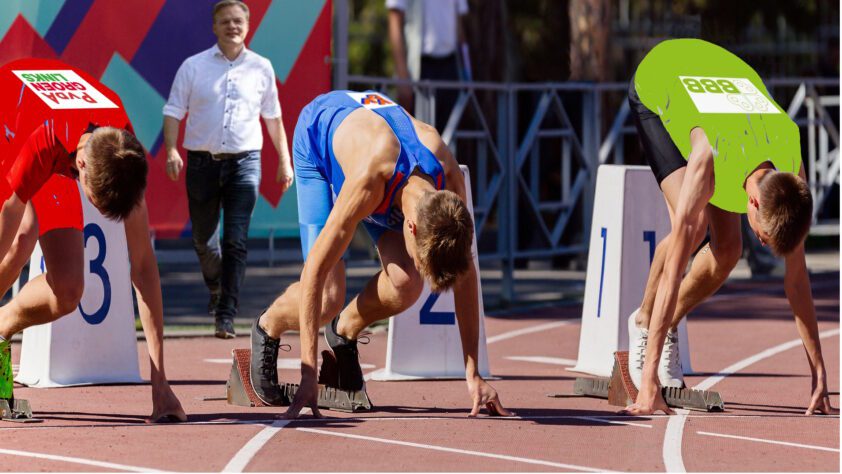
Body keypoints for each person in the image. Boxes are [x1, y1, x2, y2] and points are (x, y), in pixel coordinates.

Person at [249, 90, 509, 419]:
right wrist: (306, 373)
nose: (418, 263)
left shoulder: (451, 181)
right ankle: (266, 327)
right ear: (411, 227)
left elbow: (467, 274)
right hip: (319, 141)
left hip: (387, 163)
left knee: (406, 283)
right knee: (329, 295)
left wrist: (473, 374)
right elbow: (314, 269)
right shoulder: (368, 181)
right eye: (419, 256)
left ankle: (342, 332)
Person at [623, 38, 836, 416]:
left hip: (718, 76)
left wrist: (819, 372)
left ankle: (665, 323)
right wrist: (649, 382)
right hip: (661, 77)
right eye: (763, 234)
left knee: (729, 251)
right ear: (754, 203)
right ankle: (643, 323)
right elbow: (675, 267)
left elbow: (797, 279)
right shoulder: (709, 154)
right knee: (691, 228)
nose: (760, 239)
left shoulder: (790, 153)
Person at [0, 57, 186, 423]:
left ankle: (1, 325)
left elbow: (144, 267)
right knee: (21, 240)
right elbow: (10, 218)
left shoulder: (122, 151)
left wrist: (160, 380)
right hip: (11, 113)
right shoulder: (47, 139)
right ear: (81, 168)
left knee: (68, 290)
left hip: (58, 123)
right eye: (96, 204)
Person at [163, 0, 294, 338]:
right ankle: (216, 289)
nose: (232, 26)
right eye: (225, 22)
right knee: (204, 242)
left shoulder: (261, 67)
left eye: (238, 21)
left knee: (236, 242)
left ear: (248, 27)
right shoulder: (193, 67)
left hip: (245, 163)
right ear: (214, 27)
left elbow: (273, 117)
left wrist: (284, 160)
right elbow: (174, 110)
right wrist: (172, 151)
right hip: (202, 163)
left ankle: (226, 313)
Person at [387, 0, 470, 132]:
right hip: (419, 68)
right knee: (418, 134)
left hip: (450, 67)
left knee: (447, 136)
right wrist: (402, 75)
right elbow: (394, 20)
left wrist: (467, 70)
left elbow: (459, 26)